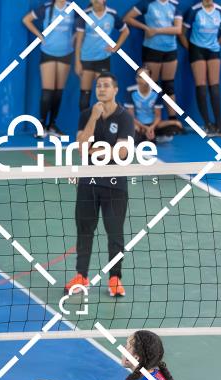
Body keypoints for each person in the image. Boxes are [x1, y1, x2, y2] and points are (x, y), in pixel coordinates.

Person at [65, 71, 134, 297]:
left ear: (116, 90)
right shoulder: (86, 115)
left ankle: (115, 278)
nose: (101, 89)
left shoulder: (125, 118)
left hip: (115, 183)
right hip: (88, 181)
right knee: (84, 229)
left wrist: (93, 149)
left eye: (106, 85)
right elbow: (81, 147)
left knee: (114, 232)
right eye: (98, 86)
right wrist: (93, 119)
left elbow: (122, 153)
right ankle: (81, 276)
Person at [23, 1, 77, 136]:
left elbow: (84, 25)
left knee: (58, 92)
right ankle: (41, 126)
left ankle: (52, 125)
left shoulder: (72, 8)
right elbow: (26, 20)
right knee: (47, 92)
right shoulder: (46, 8)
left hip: (66, 53)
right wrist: (39, 35)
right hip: (48, 52)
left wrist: (74, 38)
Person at [125, 0, 184, 123]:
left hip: (170, 49)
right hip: (152, 49)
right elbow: (127, 18)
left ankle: (172, 119)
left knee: (169, 86)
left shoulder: (174, 5)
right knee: (152, 86)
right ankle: (152, 122)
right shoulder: (146, 3)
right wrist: (146, 28)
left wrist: (156, 31)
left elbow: (178, 29)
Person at [180, 0, 221, 134]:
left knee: (214, 86)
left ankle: (219, 124)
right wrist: (191, 50)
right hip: (197, 50)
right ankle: (207, 124)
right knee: (201, 86)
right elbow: (181, 33)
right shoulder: (194, 10)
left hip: (213, 50)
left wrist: (216, 44)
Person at [75, 0, 129, 112]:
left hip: (103, 59)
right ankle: (85, 122)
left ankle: (103, 122)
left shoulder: (111, 14)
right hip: (86, 59)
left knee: (105, 96)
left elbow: (125, 31)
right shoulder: (85, 14)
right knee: (84, 98)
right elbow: (78, 41)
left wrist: (116, 47)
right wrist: (77, 62)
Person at [125, 67, 184, 142]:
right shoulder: (130, 91)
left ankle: (150, 135)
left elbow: (158, 116)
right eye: (138, 76)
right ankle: (147, 136)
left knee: (176, 124)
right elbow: (131, 117)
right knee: (131, 129)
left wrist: (151, 127)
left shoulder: (156, 91)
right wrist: (145, 128)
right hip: (138, 125)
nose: (139, 79)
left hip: (153, 124)